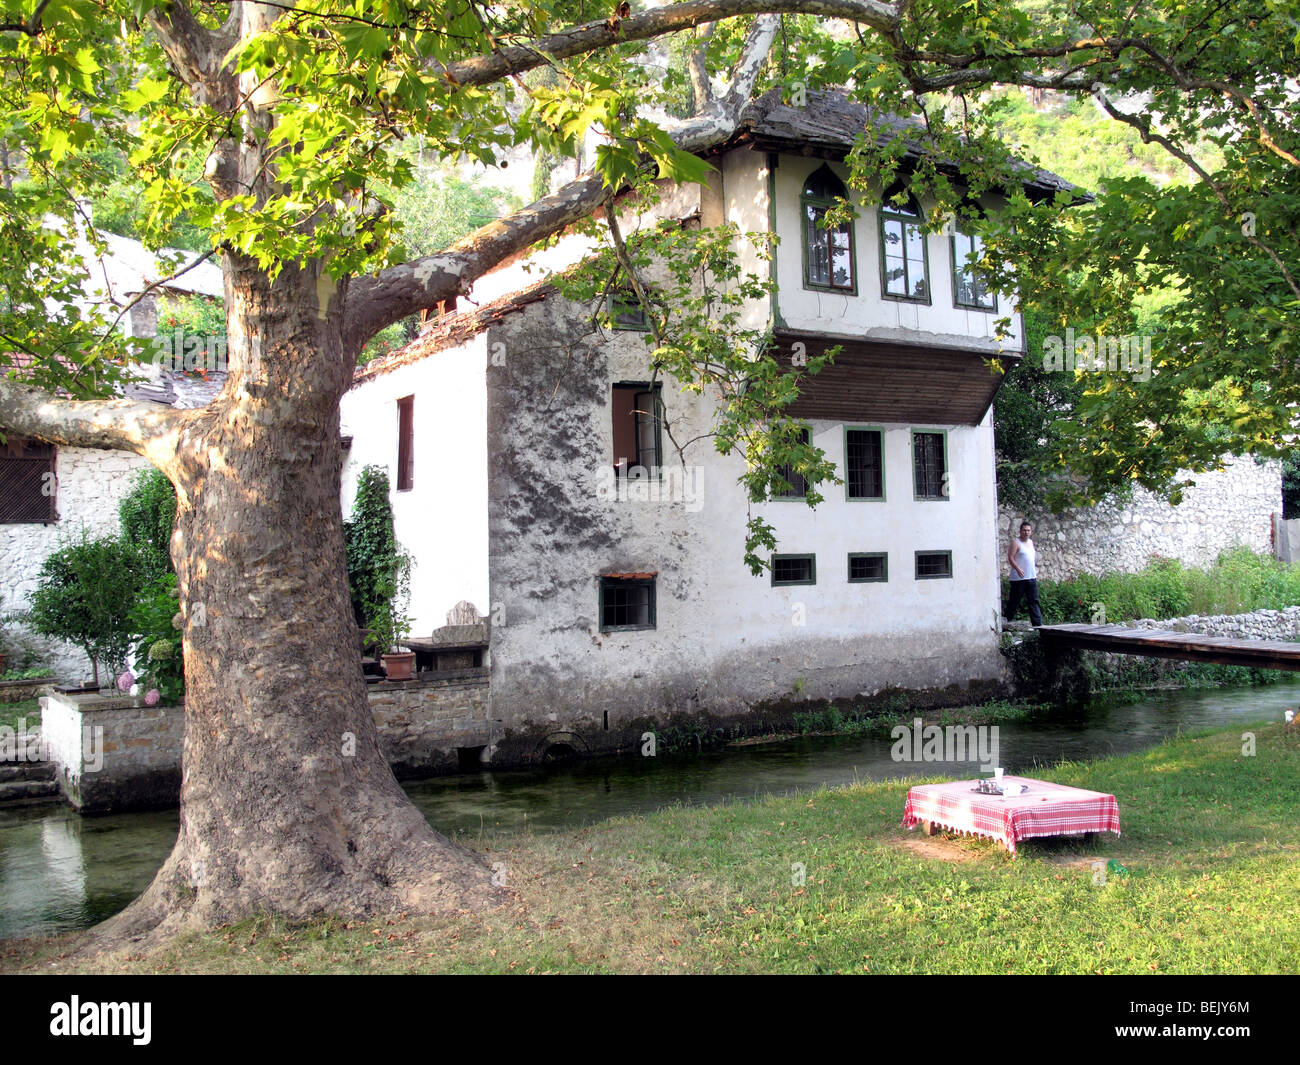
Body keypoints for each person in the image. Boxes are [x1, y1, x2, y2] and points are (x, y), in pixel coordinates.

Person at [1005, 520, 1042, 626]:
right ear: (1020, 531)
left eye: (1028, 530)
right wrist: (1017, 568)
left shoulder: (1030, 542)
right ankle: (1007, 622)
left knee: (1034, 601)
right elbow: (1011, 557)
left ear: (1031, 532)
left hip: (1031, 577)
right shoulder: (1016, 543)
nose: (1026, 532)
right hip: (1018, 578)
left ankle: (1038, 625)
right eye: (1024, 530)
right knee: (1014, 601)